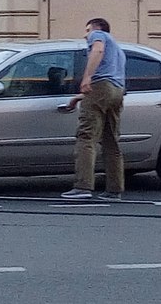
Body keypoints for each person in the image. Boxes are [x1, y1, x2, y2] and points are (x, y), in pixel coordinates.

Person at [61, 18, 126, 202]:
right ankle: (114, 190)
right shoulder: (119, 51)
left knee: (86, 137)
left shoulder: (99, 35)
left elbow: (97, 50)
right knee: (111, 141)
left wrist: (87, 77)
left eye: (87, 30)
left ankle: (83, 186)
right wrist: (80, 97)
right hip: (117, 91)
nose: (85, 34)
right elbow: (110, 84)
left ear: (97, 28)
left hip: (100, 87)